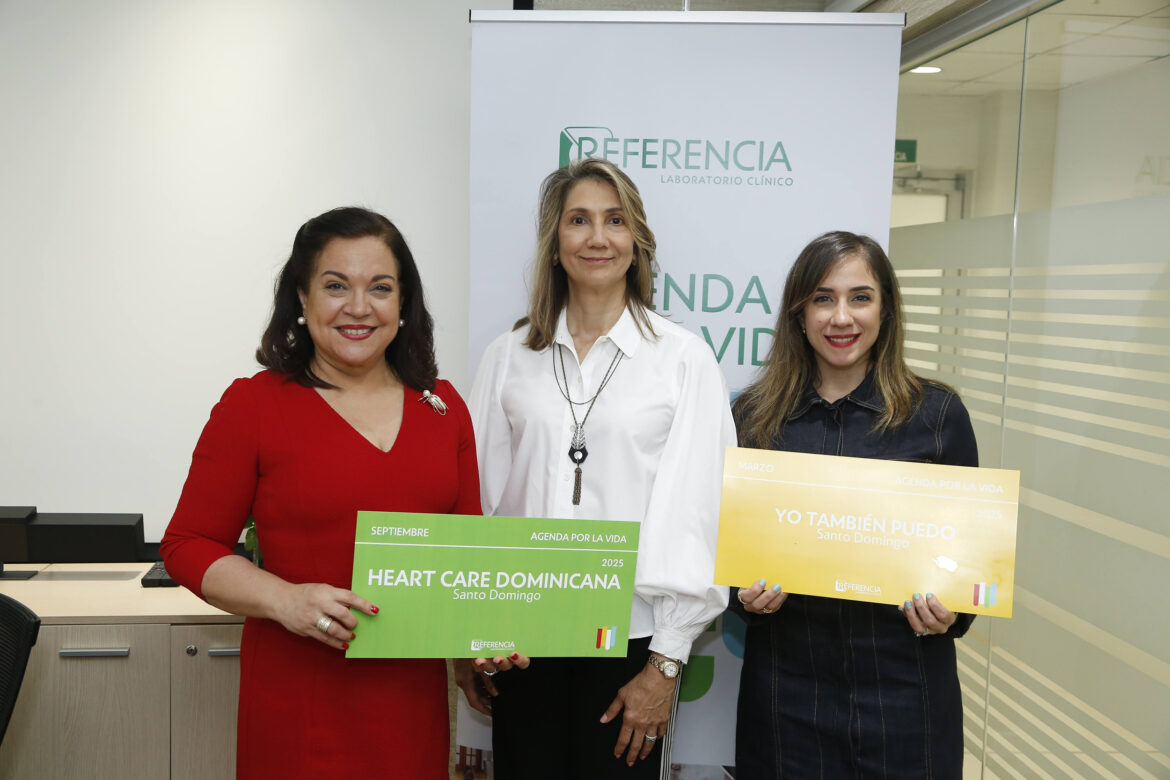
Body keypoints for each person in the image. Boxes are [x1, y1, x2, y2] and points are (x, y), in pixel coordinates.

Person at [160, 206, 486, 779]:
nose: (358, 307)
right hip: (299, 701)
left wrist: (486, 634)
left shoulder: (443, 406)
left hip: (410, 706)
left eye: (380, 287)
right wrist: (285, 600)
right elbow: (187, 544)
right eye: (336, 286)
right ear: (302, 299)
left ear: (404, 303)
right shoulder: (254, 405)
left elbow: (467, 553)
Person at [460, 157, 736, 778]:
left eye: (615, 220)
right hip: (518, 639)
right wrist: (467, 633)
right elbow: (476, 501)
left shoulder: (683, 360)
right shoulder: (508, 356)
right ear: (554, 242)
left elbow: (700, 513)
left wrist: (665, 664)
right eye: (578, 220)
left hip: (631, 645)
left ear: (636, 241)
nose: (597, 237)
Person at [730, 230, 979, 779]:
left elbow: (968, 566)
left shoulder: (937, 416)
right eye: (823, 298)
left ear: (885, 310)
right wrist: (741, 596)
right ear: (799, 314)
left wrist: (952, 611)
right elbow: (724, 559)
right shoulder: (753, 419)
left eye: (860, 297)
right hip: (786, 701)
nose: (841, 317)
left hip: (908, 700)